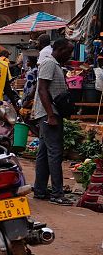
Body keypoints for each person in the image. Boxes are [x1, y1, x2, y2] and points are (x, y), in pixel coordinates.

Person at [32, 38, 77, 206]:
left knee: (44, 153)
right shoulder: (49, 63)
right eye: (68, 51)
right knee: (55, 153)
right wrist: (50, 115)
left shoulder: (55, 64)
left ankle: (40, 190)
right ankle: (57, 194)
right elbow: (42, 89)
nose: (70, 54)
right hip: (49, 114)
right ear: (59, 49)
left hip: (50, 113)